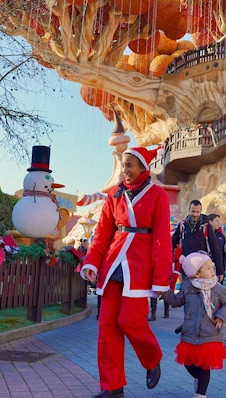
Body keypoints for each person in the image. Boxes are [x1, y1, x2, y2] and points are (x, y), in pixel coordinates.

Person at [80, 146, 171, 398]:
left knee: (129, 320)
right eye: (123, 165)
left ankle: (152, 358)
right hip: (112, 265)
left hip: (140, 268)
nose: (125, 170)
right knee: (107, 326)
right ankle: (112, 388)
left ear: (143, 167)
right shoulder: (114, 196)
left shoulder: (158, 195)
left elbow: (162, 239)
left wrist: (162, 278)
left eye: (129, 165)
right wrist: (92, 263)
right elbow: (102, 233)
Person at [163, 251, 226, 398]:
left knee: (204, 367)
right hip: (190, 333)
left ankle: (201, 394)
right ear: (196, 273)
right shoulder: (187, 287)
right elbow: (176, 301)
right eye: (208, 268)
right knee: (188, 363)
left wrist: (221, 316)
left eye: (212, 267)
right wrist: (164, 292)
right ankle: (199, 380)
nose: (212, 270)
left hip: (210, 334)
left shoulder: (217, 288)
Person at [172, 200, 224, 281]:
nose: (195, 214)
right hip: (186, 265)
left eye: (197, 212)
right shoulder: (183, 225)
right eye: (193, 211)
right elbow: (172, 244)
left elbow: (215, 248)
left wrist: (220, 271)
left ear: (201, 211)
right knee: (186, 290)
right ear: (189, 210)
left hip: (201, 267)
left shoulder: (206, 226)